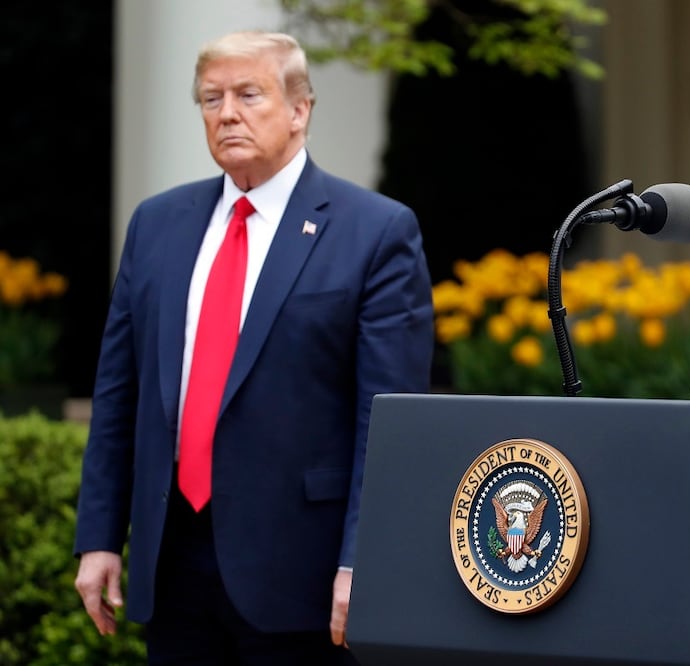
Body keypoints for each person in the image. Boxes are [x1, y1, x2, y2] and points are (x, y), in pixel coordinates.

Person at [73, 30, 434, 664]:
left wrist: (363, 560)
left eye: (248, 94)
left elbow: (390, 421)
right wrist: (99, 537)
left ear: (300, 110)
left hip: (304, 577)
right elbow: (118, 393)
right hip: (174, 564)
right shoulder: (156, 224)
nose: (227, 113)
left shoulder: (375, 232)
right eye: (211, 99)